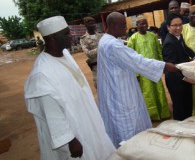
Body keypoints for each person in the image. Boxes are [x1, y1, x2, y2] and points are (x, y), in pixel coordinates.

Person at [24, 16, 115, 159]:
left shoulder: (65, 54)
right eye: (66, 33)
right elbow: (52, 113)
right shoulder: (42, 74)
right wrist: (70, 140)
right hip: (72, 134)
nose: (71, 36)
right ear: (53, 38)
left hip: (86, 118)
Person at [97, 12, 178, 147]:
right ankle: (131, 150)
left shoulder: (106, 40)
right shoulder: (113, 45)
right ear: (112, 26)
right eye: (123, 26)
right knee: (128, 126)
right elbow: (137, 61)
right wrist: (164, 65)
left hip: (116, 88)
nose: (126, 29)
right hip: (121, 93)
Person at [127, 15, 170, 121]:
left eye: (145, 23)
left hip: (154, 70)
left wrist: (162, 65)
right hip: (142, 74)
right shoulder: (133, 39)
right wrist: (136, 74)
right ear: (136, 25)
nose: (144, 25)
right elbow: (130, 58)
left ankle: (162, 113)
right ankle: (151, 116)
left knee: (158, 91)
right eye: (141, 23)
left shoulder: (153, 36)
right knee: (147, 94)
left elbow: (159, 51)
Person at [162, 13, 195, 121]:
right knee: (180, 108)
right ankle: (180, 129)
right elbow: (171, 68)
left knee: (187, 105)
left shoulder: (178, 36)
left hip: (183, 76)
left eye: (180, 24)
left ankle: (187, 125)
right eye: (175, 25)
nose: (178, 28)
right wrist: (187, 78)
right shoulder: (169, 43)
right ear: (168, 27)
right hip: (176, 80)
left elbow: (185, 48)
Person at [80, 16, 103, 89]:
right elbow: (89, 54)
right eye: (90, 23)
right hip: (96, 67)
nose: (93, 25)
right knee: (100, 87)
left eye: (94, 23)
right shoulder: (83, 39)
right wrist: (101, 47)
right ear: (85, 25)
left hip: (106, 64)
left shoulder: (101, 35)